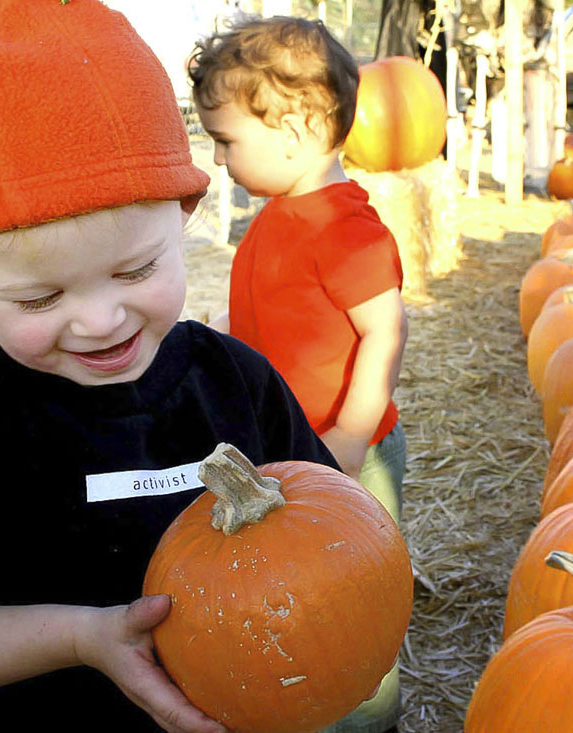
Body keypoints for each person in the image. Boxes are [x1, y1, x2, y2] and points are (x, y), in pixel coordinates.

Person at [0, 1, 339, 731]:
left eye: (136, 270)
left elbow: (328, 536)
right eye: (39, 297)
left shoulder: (237, 385)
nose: (99, 320)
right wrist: (79, 638)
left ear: (183, 211)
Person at [188, 15, 409, 733]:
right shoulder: (284, 214)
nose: (220, 161)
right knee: (305, 591)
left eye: (227, 141)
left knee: (356, 592)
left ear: (295, 131)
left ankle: (369, 716)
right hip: (291, 445)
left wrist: (350, 431)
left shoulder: (343, 228)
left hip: (351, 451)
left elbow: (385, 330)